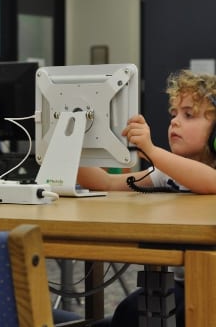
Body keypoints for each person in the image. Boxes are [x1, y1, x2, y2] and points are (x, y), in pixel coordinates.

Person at [78, 69, 216, 326]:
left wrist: (151, 150)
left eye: (189, 115)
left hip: (210, 290)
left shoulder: (199, 172)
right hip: (185, 284)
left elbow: (209, 182)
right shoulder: (168, 173)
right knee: (129, 311)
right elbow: (107, 183)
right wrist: (69, 147)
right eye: (173, 114)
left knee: (131, 314)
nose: (175, 122)